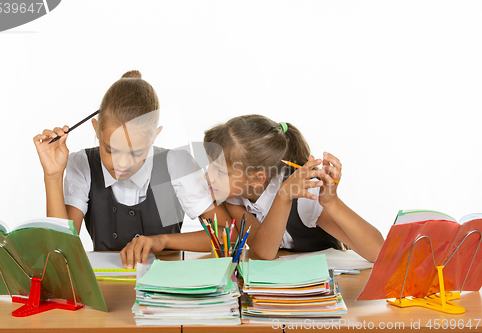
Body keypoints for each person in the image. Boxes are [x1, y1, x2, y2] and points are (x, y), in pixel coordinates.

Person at [34, 70, 228, 266]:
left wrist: (163, 240)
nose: (122, 164)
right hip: (105, 290)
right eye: (110, 150)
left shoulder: (176, 164)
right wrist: (53, 175)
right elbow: (60, 251)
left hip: (164, 291)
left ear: (154, 136)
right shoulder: (83, 164)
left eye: (136, 153)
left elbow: (228, 235)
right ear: (96, 129)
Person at [203, 114, 384, 261]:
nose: (207, 176)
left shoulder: (305, 196)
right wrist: (283, 197)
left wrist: (332, 202)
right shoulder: (234, 198)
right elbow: (265, 251)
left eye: (220, 171)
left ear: (257, 178)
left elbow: (378, 253)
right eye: (210, 165)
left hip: (325, 289)